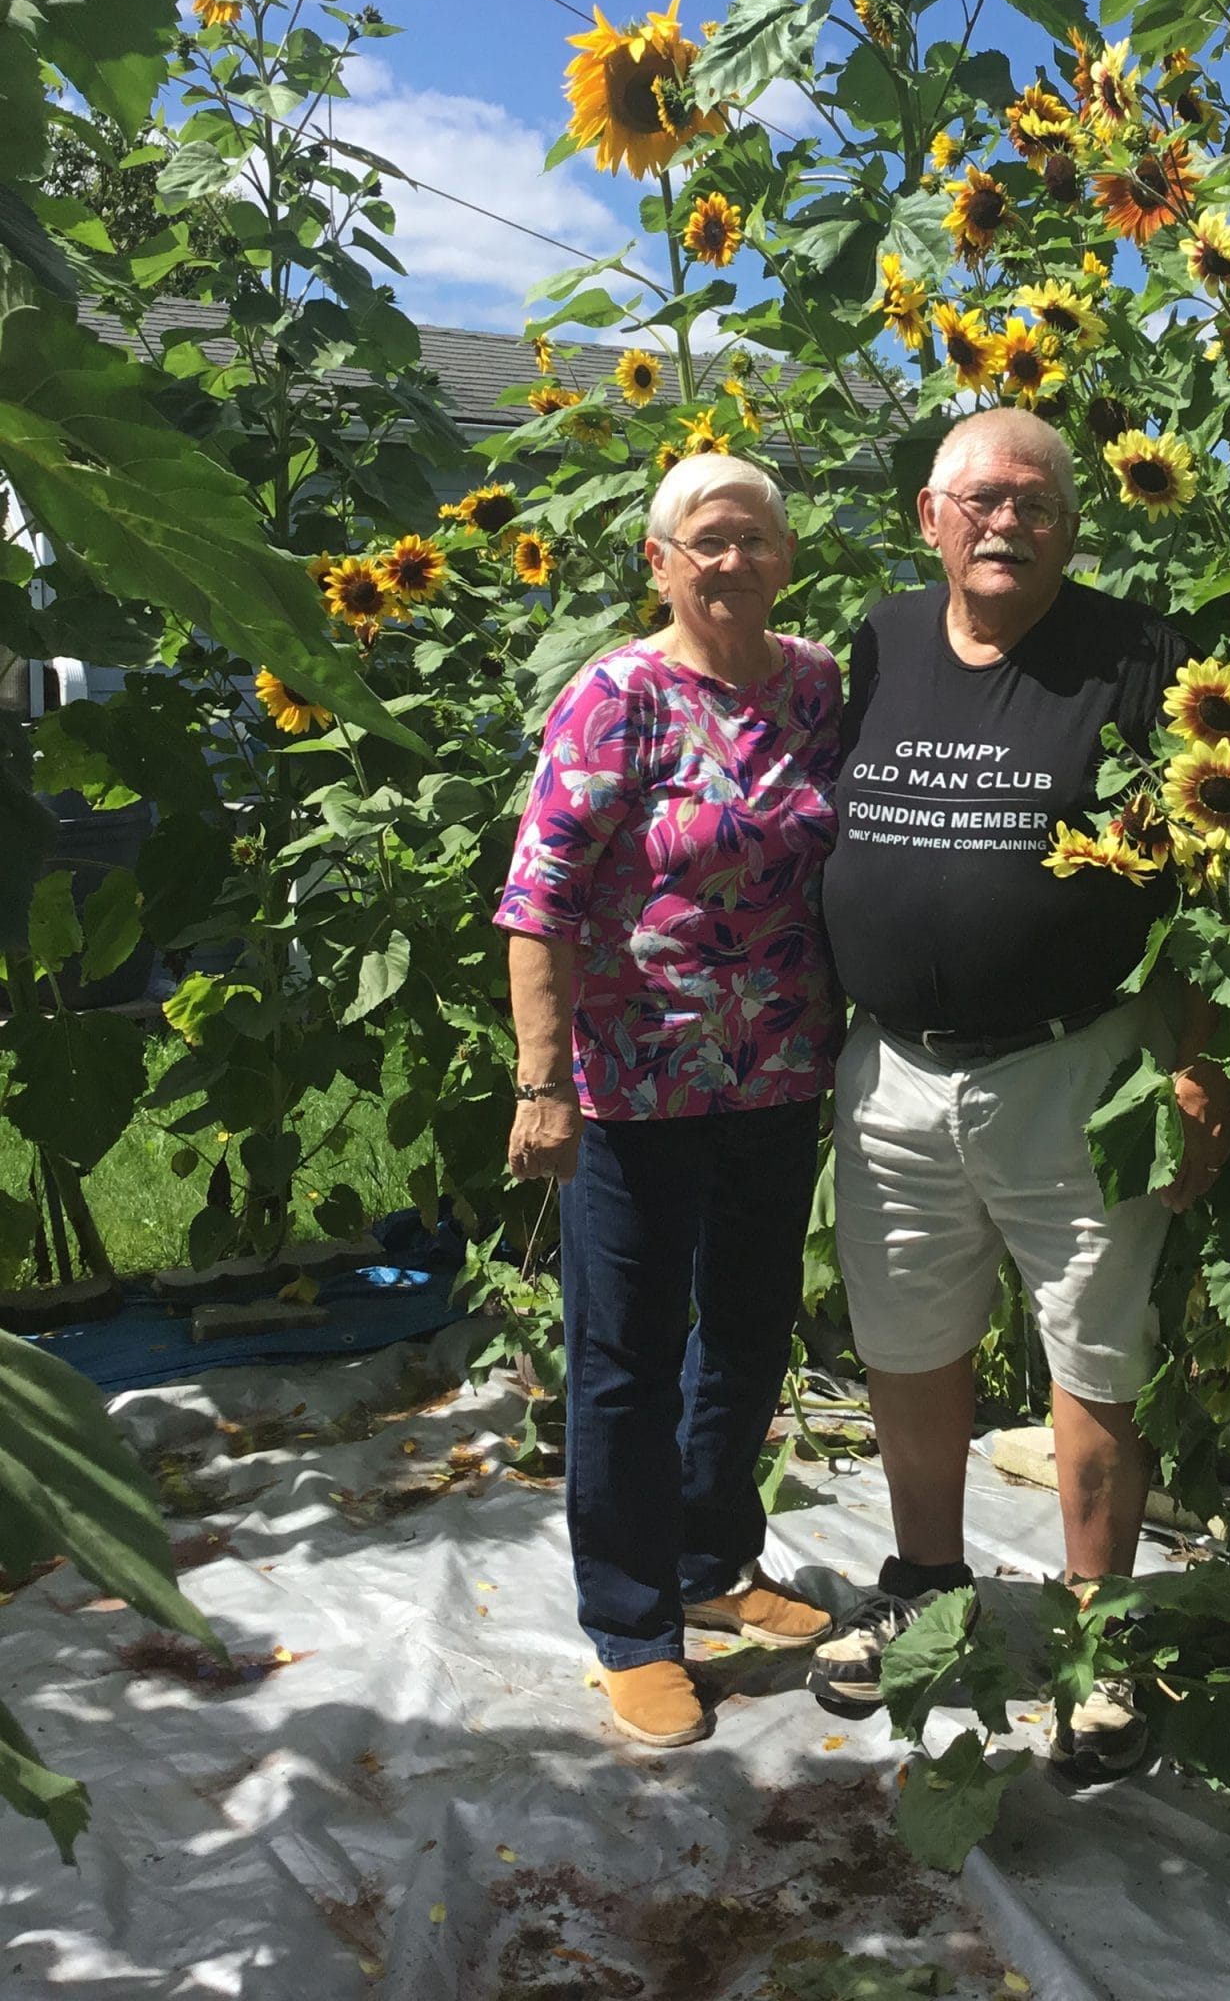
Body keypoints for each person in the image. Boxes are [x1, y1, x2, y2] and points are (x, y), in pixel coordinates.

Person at [809, 407, 1230, 1774]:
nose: (1007, 520)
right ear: (930, 519)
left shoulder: (1137, 651)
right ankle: (927, 1587)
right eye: (980, 499)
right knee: (906, 1340)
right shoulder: (876, 642)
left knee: (1095, 1351)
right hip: (895, 1073)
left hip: (1078, 1065)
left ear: (1072, 525)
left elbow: (1204, 877)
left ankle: (1104, 1643)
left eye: (1037, 501)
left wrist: (1195, 1053)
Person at [496, 454, 839, 1750]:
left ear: (785, 557)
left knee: (748, 1329)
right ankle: (632, 1625)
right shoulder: (615, 697)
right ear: (659, 560)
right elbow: (539, 901)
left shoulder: (814, 687)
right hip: (632, 1083)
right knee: (628, 1354)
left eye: (753, 538)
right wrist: (542, 1085)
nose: (732, 562)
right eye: (706, 541)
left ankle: (710, 1561)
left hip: (779, 1072)